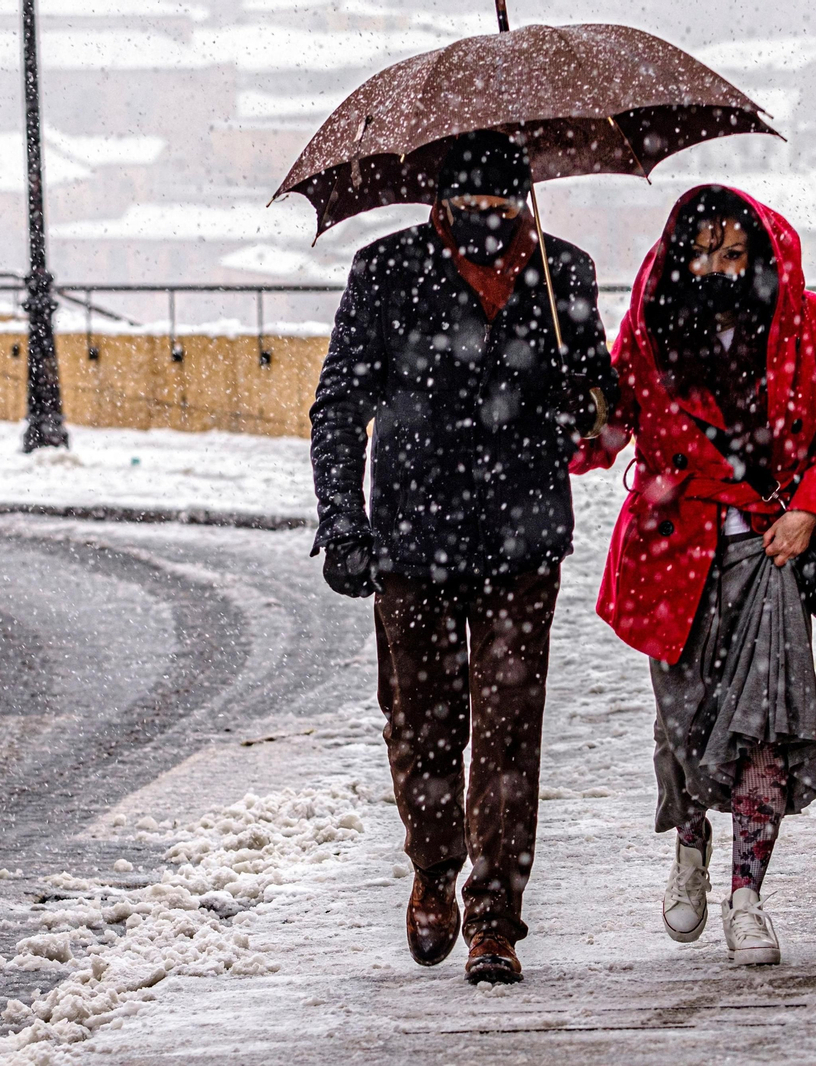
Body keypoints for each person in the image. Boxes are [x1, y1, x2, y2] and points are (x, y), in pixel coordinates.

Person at [310, 129, 617, 984]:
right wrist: (342, 521)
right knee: (421, 725)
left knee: (512, 729)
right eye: (469, 207)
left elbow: (597, 401)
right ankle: (432, 870)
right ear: (439, 204)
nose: (487, 221)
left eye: (502, 207)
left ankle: (494, 917)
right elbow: (338, 405)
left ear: (523, 201)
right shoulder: (386, 270)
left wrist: (585, 401)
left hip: (523, 538)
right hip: (412, 538)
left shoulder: (565, 274)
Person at [572, 185, 816, 965]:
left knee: (765, 725)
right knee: (685, 727)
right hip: (671, 552)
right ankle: (692, 847)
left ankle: (747, 896)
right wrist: (582, 405)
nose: (717, 266)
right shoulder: (652, 327)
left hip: (768, 549)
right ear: (681, 255)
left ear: (760, 257)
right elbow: (602, 437)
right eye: (703, 250)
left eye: (733, 252)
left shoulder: (808, 323)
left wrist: (811, 508)